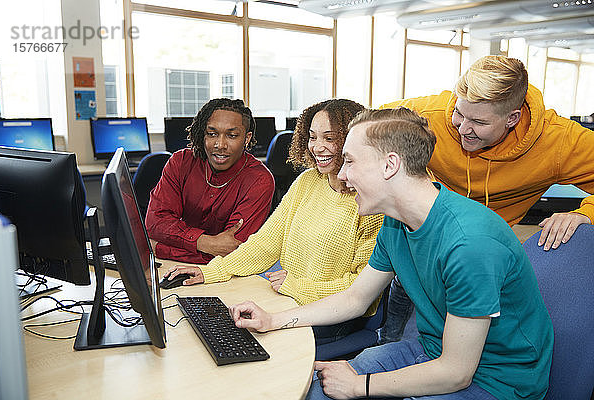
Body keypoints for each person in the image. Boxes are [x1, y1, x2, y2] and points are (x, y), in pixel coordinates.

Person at [229, 108, 553, 400]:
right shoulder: (395, 223)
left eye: (351, 161)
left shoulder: (470, 244)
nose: (341, 175)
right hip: (430, 351)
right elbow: (355, 298)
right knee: (314, 391)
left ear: (390, 165)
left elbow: (457, 373)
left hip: (496, 382)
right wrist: (273, 320)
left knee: (344, 387)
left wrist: (359, 386)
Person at [378, 55, 594, 343]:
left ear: (512, 118)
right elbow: (363, 134)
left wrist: (586, 213)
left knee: (438, 351)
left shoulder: (558, 141)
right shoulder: (426, 114)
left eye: (479, 122)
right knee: (395, 344)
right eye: (459, 113)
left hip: (481, 265)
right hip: (421, 258)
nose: (463, 128)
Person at [164, 99, 384, 344]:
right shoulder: (308, 181)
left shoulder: (371, 203)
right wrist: (212, 272)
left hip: (328, 316)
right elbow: (266, 242)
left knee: (239, 339)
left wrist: (296, 287)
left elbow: (361, 290)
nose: (318, 147)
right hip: (286, 298)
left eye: (330, 138)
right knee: (209, 323)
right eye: (312, 137)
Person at [145, 98, 274, 264]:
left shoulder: (259, 180)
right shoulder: (180, 162)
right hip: (174, 267)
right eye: (212, 134)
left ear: (246, 138)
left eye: (232, 135)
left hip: (228, 278)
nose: (220, 145)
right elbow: (155, 223)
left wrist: (159, 248)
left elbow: (232, 252)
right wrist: (206, 243)